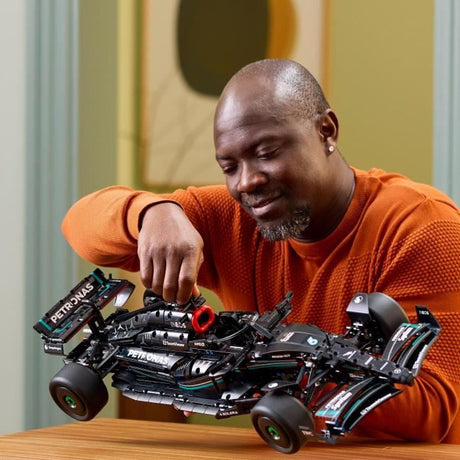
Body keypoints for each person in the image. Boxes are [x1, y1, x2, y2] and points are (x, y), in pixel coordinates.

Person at [62, 59, 460, 443]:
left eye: (266, 153)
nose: (246, 182)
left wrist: (270, 366)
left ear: (326, 131)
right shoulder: (235, 219)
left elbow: (435, 409)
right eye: (229, 166)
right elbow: (79, 224)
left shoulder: (423, 228)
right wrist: (151, 212)